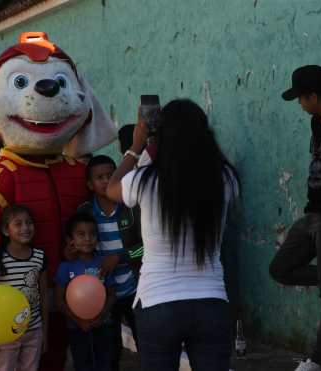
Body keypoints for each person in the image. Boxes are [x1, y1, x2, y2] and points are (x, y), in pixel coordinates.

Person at [106, 99, 239, 371]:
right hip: (211, 304)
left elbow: (111, 188)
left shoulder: (144, 180)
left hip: (157, 303)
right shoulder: (226, 178)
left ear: (161, 134)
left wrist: (135, 146)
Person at [269, 65, 321, 371]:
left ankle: (316, 362)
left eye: (300, 98)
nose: (299, 105)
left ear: (313, 96)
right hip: (312, 214)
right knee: (280, 268)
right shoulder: (317, 122)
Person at [77, 155, 141, 370]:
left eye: (111, 175)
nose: (106, 181)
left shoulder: (133, 207)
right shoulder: (84, 213)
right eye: (100, 177)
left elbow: (149, 247)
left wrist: (120, 257)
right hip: (103, 294)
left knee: (149, 349)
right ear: (90, 184)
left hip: (137, 289)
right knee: (108, 354)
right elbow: (78, 249)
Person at [0, 205, 48, 371]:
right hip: (4, 334)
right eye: (18, 224)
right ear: (6, 230)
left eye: (29, 223)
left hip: (33, 331)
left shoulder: (39, 257)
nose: (26, 228)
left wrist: (44, 333)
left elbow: (44, 298)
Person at [55, 213, 116, 371]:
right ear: (70, 240)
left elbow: (111, 294)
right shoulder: (65, 267)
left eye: (92, 234)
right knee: (83, 365)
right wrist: (78, 320)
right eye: (81, 234)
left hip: (103, 326)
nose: (88, 239)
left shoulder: (103, 263)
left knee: (105, 364)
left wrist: (102, 315)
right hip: (77, 329)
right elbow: (60, 301)